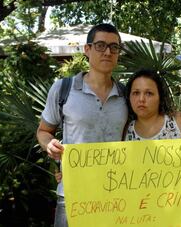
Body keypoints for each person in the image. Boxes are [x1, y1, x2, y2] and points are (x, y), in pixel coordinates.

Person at [36, 23, 128, 227]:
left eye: (114, 47)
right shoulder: (63, 89)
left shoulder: (126, 94)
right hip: (72, 195)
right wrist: (49, 144)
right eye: (100, 45)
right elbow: (43, 131)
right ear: (87, 50)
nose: (107, 52)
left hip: (117, 196)